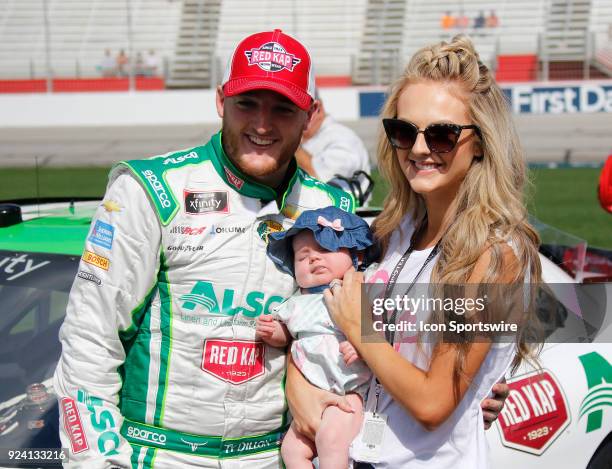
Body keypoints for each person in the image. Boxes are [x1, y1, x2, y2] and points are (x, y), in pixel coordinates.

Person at [52, 29, 356, 469]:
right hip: (157, 454)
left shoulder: (333, 209)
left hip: (274, 456)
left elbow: (369, 328)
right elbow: (90, 339)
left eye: (283, 108)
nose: (263, 124)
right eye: (247, 104)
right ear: (221, 102)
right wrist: (94, 460)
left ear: (308, 116)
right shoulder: (151, 190)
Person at [287, 35, 539, 468]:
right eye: (404, 131)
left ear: (480, 141)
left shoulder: (496, 254)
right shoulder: (392, 231)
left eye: (442, 135)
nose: (420, 148)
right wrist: (299, 388)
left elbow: (432, 403)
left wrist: (361, 326)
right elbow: (315, 318)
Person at [257, 207, 374, 469]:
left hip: (351, 391)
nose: (314, 260)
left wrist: (361, 346)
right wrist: (273, 332)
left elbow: (382, 331)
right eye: (302, 256)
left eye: (325, 250)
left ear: (356, 254)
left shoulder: (359, 291)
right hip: (311, 389)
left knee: (332, 441)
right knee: (291, 450)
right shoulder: (298, 302)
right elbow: (287, 334)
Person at [295, 94, 372, 206]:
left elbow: (321, 182)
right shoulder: (313, 137)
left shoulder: (343, 138)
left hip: (346, 219)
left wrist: (292, 145)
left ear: (317, 109)